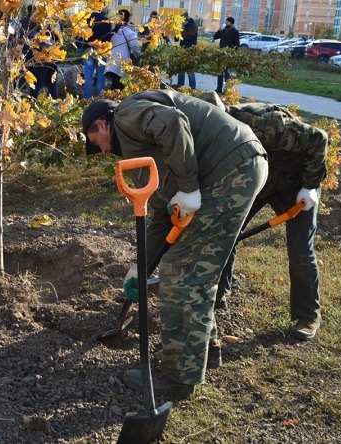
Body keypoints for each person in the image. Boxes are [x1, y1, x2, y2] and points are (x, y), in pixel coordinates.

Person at [82, 90, 268, 398]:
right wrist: (138, 268)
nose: (100, 151)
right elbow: (161, 218)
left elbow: (172, 121)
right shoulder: (141, 150)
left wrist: (189, 187)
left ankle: (178, 376)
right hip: (236, 167)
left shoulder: (127, 115)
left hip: (228, 171)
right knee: (196, 270)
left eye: (94, 141)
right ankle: (206, 349)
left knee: (182, 272)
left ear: (102, 125)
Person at [195, 92, 327, 341]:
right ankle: (219, 293)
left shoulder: (266, 124)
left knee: (300, 249)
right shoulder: (210, 136)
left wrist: (310, 186)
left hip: (297, 184)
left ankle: (307, 316)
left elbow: (319, 140)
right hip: (257, 182)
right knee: (226, 230)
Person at [82, 6, 113, 99]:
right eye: (107, 7)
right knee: (101, 75)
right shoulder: (106, 21)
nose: (108, 9)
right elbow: (109, 37)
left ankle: (87, 97)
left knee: (88, 76)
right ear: (102, 7)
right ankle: (100, 97)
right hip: (101, 50)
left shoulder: (87, 18)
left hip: (88, 48)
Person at [25, 23, 62, 99]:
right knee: (51, 80)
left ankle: (33, 99)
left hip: (42, 56)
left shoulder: (36, 24)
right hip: (51, 54)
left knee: (38, 81)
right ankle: (54, 99)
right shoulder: (53, 24)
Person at [105, 9, 138, 91]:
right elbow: (134, 46)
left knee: (114, 84)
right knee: (121, 86)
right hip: (123, 62)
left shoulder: (112, 32)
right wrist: (140, 55)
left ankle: (111, 101)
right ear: (128, 20)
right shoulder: (130, 33)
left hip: (111, 62)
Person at [213, 16, 240, 94]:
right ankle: (219, 88)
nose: (225, 23)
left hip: (229, 54)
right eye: (225, 22)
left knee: (227, 73)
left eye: (227, 22)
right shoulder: (224, 31)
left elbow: (237, 44)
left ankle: (227, 89)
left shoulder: (235, 31)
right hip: (221, 53)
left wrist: (232, 50)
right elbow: (215, 37)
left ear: (231, 23)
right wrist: (219, 31)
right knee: (220, 72)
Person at [176, 12, 198, 89]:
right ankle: (180, 86)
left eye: (182, 20)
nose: (181, 22)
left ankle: (193, 88)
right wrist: (177, 31)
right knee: (181, 70)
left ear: (186, 20)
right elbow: (176, 39)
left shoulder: (193, 26)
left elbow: (188, 36)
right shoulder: (183, 26)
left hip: (190, 50)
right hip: (182, 49)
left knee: (190, 70)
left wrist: (181, 29)